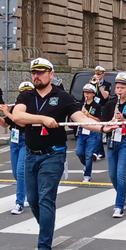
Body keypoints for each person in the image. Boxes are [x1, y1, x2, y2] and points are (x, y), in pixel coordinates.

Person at [12, 57, 106, 250]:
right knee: (33, 199)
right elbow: (18, 116)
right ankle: (46, 230)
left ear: (51, 74)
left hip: (53, 155)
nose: (36, 76)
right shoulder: (26, 96)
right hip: (31, 154)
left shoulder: (62, 96)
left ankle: (43, 245)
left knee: (46, 198)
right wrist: (43, 119)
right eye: (34, 72)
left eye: (40, 72)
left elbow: (79, 118)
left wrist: (102, 128)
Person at [102, 72, 126, 218]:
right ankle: (122, 195)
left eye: (122, 88)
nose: (119, 90)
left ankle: (119, 205)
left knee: (120, 173)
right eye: (117, 87)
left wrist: (123, 119)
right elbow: (103, 124)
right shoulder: (110, 104)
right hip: (112, 139)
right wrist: (112, 120)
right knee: (112, 174)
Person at [0, 82, 34, 215]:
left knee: (20, 171)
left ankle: (19, 203)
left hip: (26, 140)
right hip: (14, 141)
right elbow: (5, 124)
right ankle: (27, 193)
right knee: (16, 173)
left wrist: (7, 112)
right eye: (22, 91)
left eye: (27, 91)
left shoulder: (32, 108)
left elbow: (19, 120)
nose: (24, 93)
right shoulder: (16, 107)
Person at [75, 83, 101, 182]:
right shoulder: (80, 105)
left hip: (92, 132)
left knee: (89, 154)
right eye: (85, 92)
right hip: (82, 131)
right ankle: (86, 165)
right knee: (79, 152)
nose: (86, 94)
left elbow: (99, 120)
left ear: (93, 94)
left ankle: (87, 175)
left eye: (89, 93)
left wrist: (88, 115)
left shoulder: (97, 106)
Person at [91, 65, 111, 161]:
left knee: (98, 130)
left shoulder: (107, 84)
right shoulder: (92, 82)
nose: (97, 75)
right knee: (95, 131)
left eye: (99, 74)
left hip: (103, 108)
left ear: (103, 74)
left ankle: (95, 152)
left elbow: (105, 96)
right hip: (93, 108)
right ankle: (101, 152)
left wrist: (99, 85)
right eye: (96, 73)